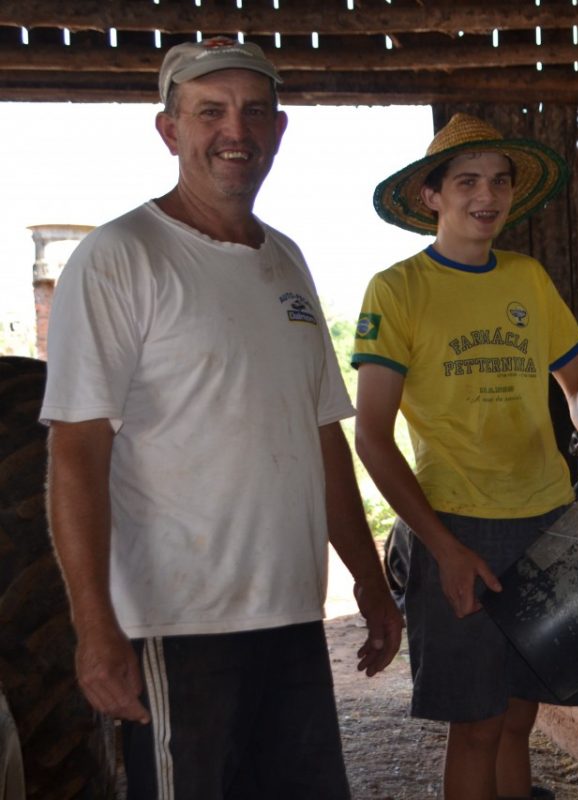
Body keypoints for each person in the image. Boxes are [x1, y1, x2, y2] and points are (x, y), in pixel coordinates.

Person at [40, 37, 403, 799]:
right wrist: (94, 624)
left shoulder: (286, 260)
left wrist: (370, 582)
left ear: (278, 130)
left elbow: (320, 434)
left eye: (254, 111)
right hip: (178, 625)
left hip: (291, 615)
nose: (235, 131)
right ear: (170, 130)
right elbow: (76, 452)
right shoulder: (121, 258)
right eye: (210, 112)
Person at [353, 113, 578, 800]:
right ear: (432, 196)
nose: (489, 195)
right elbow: (372, 437)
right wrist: (443, 548)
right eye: (468, 180)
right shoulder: (398, 291)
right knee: (475, 725)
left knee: (517, 718)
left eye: (501, 181)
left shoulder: (528, 279)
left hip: (545, 521)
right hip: (458, 525)